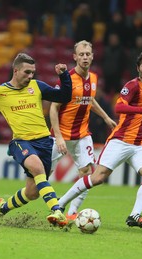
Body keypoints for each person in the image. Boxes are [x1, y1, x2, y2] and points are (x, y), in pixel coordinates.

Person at [0, 53, 72, 227]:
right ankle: (57, 211)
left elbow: (64, 97)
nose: (30, 76)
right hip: (21, 142)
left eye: (33, 72)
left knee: (32, 193)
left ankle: (2, 208)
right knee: (38, 168)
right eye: (27, 72)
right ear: (15, 71)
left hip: (44, 143)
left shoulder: (37, 86)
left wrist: (64, 76)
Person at [58, 51, 142, 229]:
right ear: (138, 68)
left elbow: (140, 116)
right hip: (120, 141)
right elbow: (119, 106)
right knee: (97, 178)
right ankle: (60, 204)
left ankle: (134, 216)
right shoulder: (133, 86)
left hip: (138, 145)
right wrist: (141, 111)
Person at [50, 40, 116, 221]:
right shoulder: (67, 80)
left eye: (88, 54)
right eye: (81, 54)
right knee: (39, 177)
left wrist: (105, 117)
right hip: (61, 136)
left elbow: (90, 100)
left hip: (82, 135)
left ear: (92, 56)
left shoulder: (93, 78)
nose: (85, 57)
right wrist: (59, 137)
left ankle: (70, 212)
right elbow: (53, 108)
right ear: (75, 57)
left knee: (87, 173)